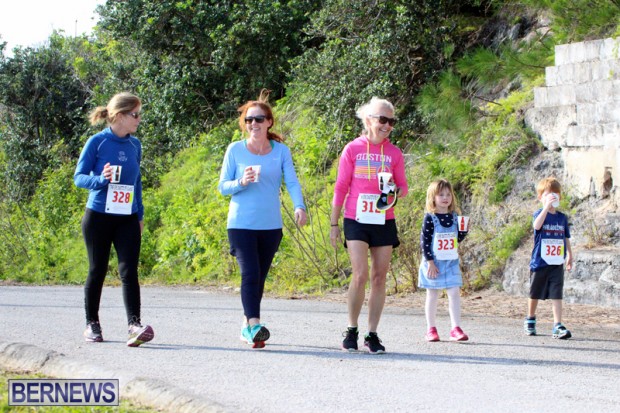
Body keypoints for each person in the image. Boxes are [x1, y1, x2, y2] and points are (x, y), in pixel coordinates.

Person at [218, 91, 307, 349]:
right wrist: (241, 182)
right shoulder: (235, 150)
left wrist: (299, 206)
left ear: (269, 122)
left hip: (270, 226)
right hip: (240, 224)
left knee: (259, 277)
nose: (253, 124)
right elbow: (223, 187)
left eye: (258, 119)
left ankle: (247, 326)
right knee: (250, 273)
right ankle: (255, 324)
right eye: (249, 120)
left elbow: (292, 182)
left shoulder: (281, 151)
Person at [74, 92, 154, 347]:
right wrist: (101, 179)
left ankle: (134, 325)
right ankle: (92, 324)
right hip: (98, 216)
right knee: (97, 270)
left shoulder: (135, 145)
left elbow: (137, 182)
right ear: (119, 116)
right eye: (135, 114)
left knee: (129, 270)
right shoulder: (97, 142)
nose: (139, 119)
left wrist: (139, 215)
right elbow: (79, 178)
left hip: (127, 218)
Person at [330, 97, 408, 354]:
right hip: (356, 218)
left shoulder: (394, 153)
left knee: (379, 277)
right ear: (368, 120)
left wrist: (396, 190)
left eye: (391, 121)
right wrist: (334, 223)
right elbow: (341, 187)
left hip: (383, 218)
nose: (387, 125)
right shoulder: (352, 149)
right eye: (382, 119)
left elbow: (403, 187)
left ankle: (371, 334)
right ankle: (351, 329)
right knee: (360, 274)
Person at [418, 179, 469, 342]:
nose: (445, 198)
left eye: (448, 194)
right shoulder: (430, 218)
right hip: (434, 263)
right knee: (432, 294)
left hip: (451, 262)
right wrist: (430, 262)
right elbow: (425, 241)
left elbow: (456, 240)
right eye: (441, 195)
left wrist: (463, 231)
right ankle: (431, 328)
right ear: (433, 198)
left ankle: (456, 328)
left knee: (454, 293)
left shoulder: (454, 217)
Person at [524, 177, 573, 339]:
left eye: (555, 194)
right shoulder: (539, 214)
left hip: (557, 262)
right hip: (540, 262)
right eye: (548, 194)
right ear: (540, 197)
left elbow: (565, 237)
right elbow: (536, 225)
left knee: (557, 294)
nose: (552, 197)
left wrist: (570, 255)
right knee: (534, 293)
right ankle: (530, 318)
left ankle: (557, 325)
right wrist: (545, 208)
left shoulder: (562, 218)